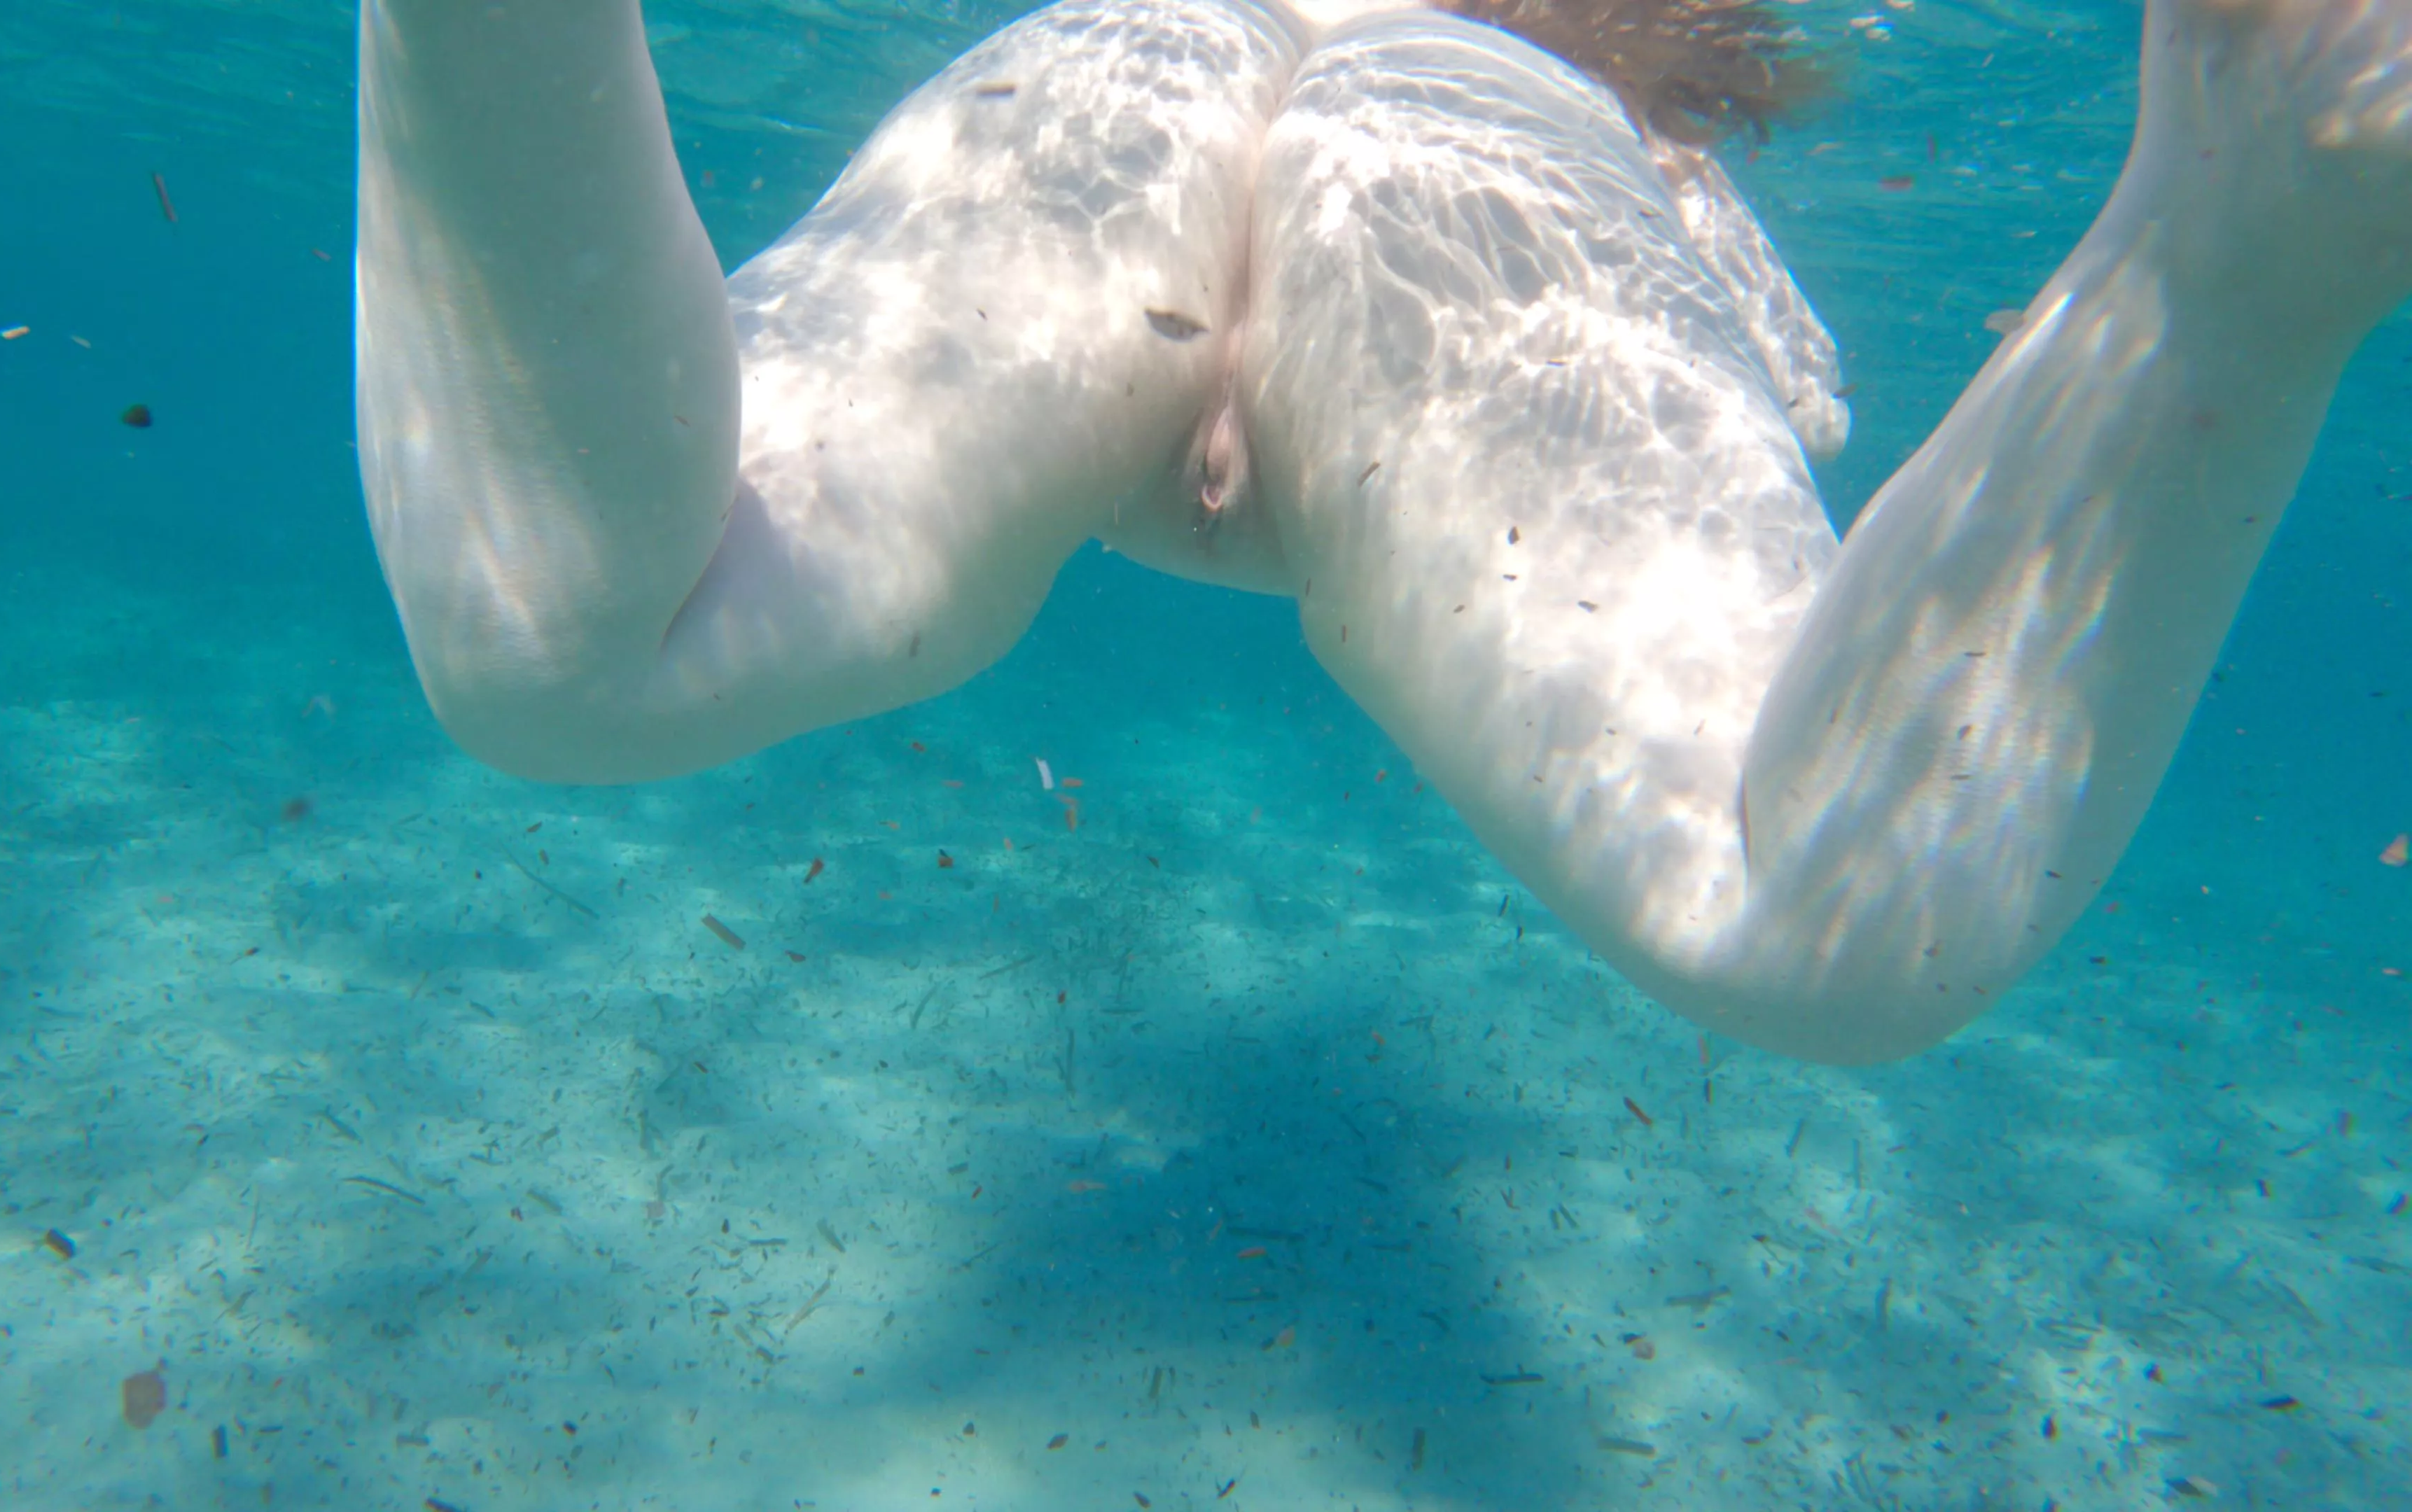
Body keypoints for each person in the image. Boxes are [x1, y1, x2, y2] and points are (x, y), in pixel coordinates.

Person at [353, 0, 2412, 1063]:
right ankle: (2239, 232)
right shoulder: (1642, 127)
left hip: (1125, 61)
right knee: (1799, 912)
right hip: (1498, 130)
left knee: (571, 651)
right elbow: (1791, 385)